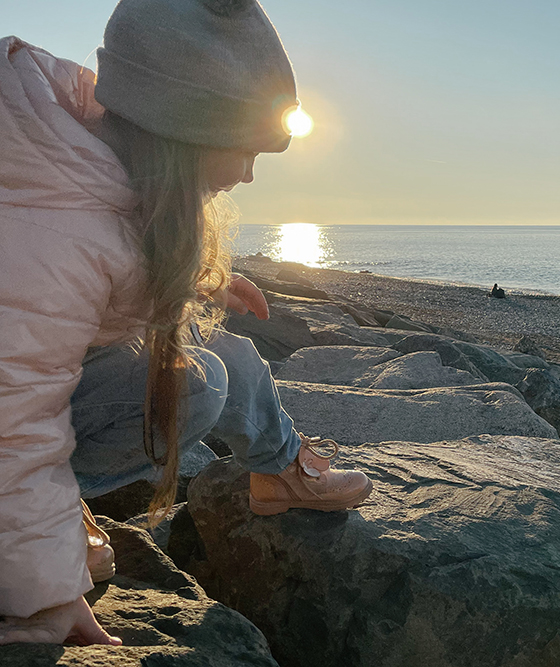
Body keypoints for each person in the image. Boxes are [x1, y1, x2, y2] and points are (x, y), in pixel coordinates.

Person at [0, 0, 372, 646]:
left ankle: (278, 466)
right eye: (246, 150)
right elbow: (16, 418)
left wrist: (203, 279)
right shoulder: (61, 234)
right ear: (185, 136)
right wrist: (45, 596)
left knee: (221, 352)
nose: (251, 172)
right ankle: (42, 523)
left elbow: (104, 221)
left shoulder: (87, 140)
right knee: (198, 385)